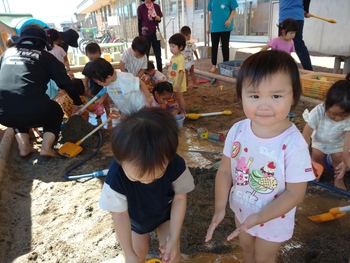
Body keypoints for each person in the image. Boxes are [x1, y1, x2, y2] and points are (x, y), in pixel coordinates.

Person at [205, 50, 315, 262]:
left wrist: (260, 217)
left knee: (264, 257)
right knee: (246, 249)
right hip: (241, 209)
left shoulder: (294, 144)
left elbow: (294, 194)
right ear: (241, 97)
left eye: (276, 96)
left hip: (273, 218)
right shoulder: (237, 130)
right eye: (254, 96)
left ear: (293, 96)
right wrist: (220, 208)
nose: (264, 105)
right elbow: (226, 170)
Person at [99, 107, 195, 263]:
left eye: (156, 175)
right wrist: (128, 254)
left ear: (169, 157)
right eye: (136, 178)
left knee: (172, 254)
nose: (147, 181)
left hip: (165, 214)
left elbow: (179, 199)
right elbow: (120, 214)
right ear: (120, 160)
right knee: (138, 253)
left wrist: (173, 239)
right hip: (137, 219)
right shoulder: (116, 174)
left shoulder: (175, 164)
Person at [0, 25, 83, 157]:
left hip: (3, 113)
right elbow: (66, 82)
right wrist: (78, 102)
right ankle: (46, 148)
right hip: (34, 111)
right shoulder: (45, 57)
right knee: (55, 111)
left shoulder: (6, 54)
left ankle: (24, 147)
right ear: (41, 42)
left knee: (17, 107)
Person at [302, 73, 350, 191]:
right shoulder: (318, 111)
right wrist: (302, 154)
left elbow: (347, 147)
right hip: (320, 141)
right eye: (334, 114)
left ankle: (338, 179)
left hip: (337, 144)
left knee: (338, 158)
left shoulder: (348, 119)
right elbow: (306, 134)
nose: (337, 119)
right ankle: (317, 172)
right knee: (317, 155)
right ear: (326, 102)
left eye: (343, 116)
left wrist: (345, 162)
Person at [83, 57, 152, 115]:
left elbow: (140, 83)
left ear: (108, 77)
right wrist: (102, 99)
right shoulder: (107, 82)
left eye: (99, 82)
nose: (98, 84)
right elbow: (107, 90)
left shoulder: (125, 78)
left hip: (139, 107)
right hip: (125, 109)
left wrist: (148, 97)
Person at [279, 0, 313, 71]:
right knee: (281, 45)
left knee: (297, 45)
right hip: (284, 16)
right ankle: (281, 69)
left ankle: (309, 71)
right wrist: (306, 10)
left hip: (295, 16)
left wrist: (306, 9)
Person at [82, 42, 110, 126]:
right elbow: (86, 77)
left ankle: (109, 117)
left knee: (105, 103)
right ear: (87, 55)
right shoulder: (88, 66)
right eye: (91, 59)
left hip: (104, 87)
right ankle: (99, 119)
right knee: (97, 105)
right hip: (94, 88)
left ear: (100, 53)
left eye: (96, 59)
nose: (94, 61)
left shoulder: (104, 64)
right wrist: (86, 86)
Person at [207, 0, 239, 73]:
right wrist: (208, 26)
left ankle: (226, 65)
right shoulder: (212, 1)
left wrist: (229, 20)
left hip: (225, 26)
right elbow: (211, 13)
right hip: (214, 27)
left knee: (225, 46)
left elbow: (233, 10)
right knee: (214, 47)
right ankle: (214, 65)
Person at [137, 0, 163, 72]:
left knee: (158, 54)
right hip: (145, 34)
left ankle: (160, 71)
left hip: (155, 32)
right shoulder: (140, 8)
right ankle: (146, 72)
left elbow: (159, 20)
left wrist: (159, 19)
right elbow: (139, 22)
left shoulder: (156, 7)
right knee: (145, 55)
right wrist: (140, 36)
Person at [167, 33, 186, 113]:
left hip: (178, 83)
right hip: (173, 82)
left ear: (180, 47)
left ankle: (183, 112)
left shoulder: (180, 58)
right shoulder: (173, 57)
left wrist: (178, 83)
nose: (171, 48)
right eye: (170, 46)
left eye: (173, 46)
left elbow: (181, 72)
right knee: (176, 97)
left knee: (180, 98)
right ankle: (178, 109)